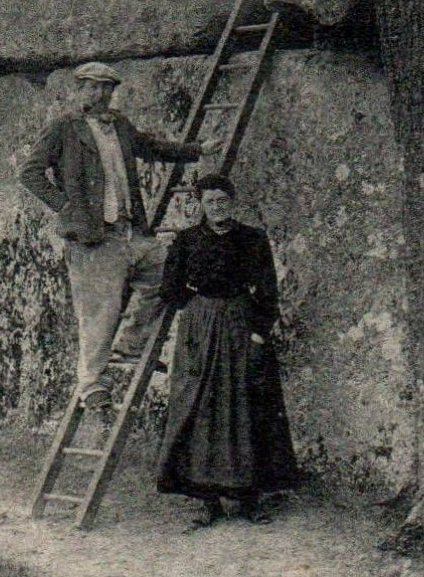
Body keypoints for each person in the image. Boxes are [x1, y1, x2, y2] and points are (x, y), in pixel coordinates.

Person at [19, 61, 214, 407]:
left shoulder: (119, 125)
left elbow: (153, 148)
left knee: (168, 268)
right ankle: (91, 384)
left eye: (107, 88)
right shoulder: (63, 128)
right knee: (99, 310)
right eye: (93, 87)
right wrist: (66, 207)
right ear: (79, 90)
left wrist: (197, 151)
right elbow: (30, 173)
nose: (101, 94)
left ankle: (131, 346)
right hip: (92, 236)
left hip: (128, 230)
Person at [156, 174, 298, 530]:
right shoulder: (187, 241)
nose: (217, 207)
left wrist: (259, 332)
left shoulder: (252, 239)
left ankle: (250, 499)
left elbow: (267, 290)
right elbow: (171, 290)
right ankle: (208, 502)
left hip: (241, 323)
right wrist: (200, 310)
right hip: (201, 329)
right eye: (210, 202)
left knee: (247, 405)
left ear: (231, 202)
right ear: (200, 206)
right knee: (200, 407)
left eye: (222, 201)